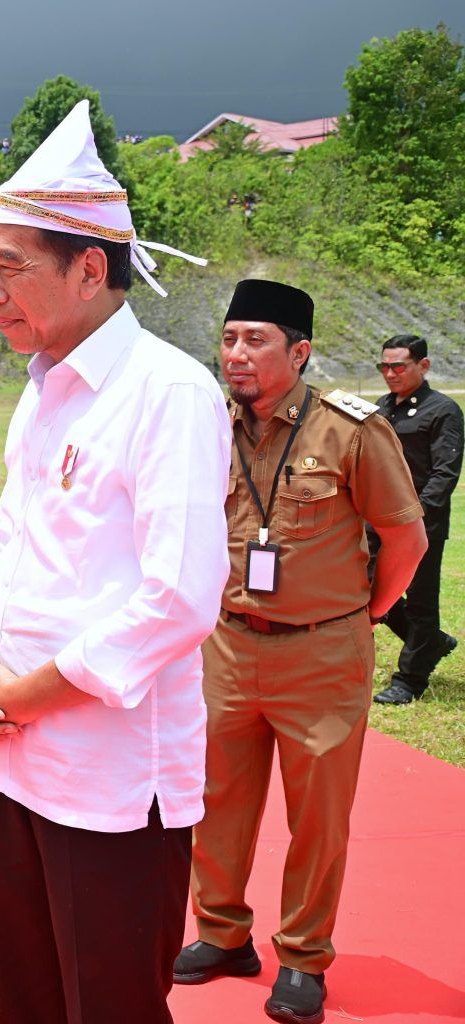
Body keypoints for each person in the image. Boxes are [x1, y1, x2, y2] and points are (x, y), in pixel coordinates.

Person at [0, 100, 228, 1023]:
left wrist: (22, 695)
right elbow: (14, 547)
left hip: (109, 778)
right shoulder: (44, 391)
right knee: (27, 997)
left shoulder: (169, 393)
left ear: (90, 268)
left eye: (8, 268)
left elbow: (179, 601)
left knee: (110, 1005)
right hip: (18, 759)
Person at [178, 280, 427, 1024]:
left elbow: (406, 537)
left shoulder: (350, 430)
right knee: (215, 800)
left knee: (318, 814)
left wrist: (364, 614)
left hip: (321, 651)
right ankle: (222, 935)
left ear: (300, 350)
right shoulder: (208, 427)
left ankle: (302, 958)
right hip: (226, 644)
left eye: (256, 340)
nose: (237, 355)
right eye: (229, 339)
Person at [368, 334, 462, 704]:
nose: (390, 374)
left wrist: (414, 520)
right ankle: (432, 643)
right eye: (384, 366)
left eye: (398, 366)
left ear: (423, 365)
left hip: (421, 523)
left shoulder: (443, 410)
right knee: (373, 592)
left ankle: (410, 680)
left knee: (421, 600)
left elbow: (444, 473)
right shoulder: (381, 407)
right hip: (376, 519)